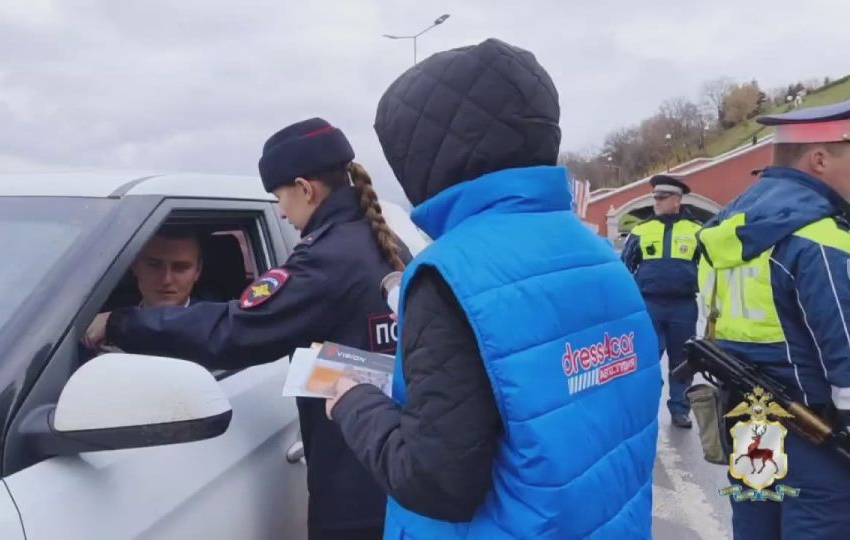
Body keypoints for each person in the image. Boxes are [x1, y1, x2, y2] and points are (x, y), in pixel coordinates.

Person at [323, 38, 662, 539]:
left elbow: (436, 482)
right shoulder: (596, 253)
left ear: (421, 156)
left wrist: (350, 401)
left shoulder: (449, 275)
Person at [83, 117, 410, 540]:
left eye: (279, 197)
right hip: (390, 469)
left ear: (305, 188)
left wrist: (120, 322)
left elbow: (233, 331)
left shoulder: (326, 260)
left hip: (354, 487)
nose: (282, 211)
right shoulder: (382, 243)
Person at [695, 100, 850, 539]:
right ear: (819, 160)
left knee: (755, 527)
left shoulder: (727, 231)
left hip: (749, 423)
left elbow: (707, 327)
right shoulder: (820, 239)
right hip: (819, 442)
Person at [621, 175, 703, 429]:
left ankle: (680, 409)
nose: (657, 202)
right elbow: (625, 266)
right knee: (646, 358)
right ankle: (644, 409)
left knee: (682, 360)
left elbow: (710, 267)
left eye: (663, 198)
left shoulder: (697, 230)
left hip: (683, 305)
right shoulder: (641, 230)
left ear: (677, 200)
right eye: (655, 197)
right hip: (649, 305)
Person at [131, 226, 205, 308]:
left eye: (180, 268)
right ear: (134, 266)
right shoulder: (116, 317)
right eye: (154, 265)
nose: (167, 280)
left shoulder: (216, 319)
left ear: (198, 270)